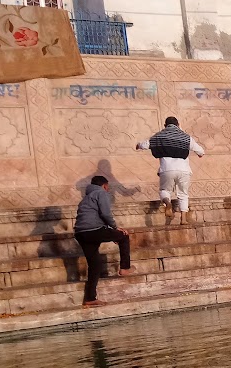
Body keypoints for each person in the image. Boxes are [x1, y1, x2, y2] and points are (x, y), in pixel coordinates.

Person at [74, 175, 133, 307]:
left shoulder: (85, 199)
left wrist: (111, 234)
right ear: (105, 186)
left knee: (95, 265)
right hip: (94, 230)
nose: (108, 190)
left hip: (81, 233)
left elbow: (92, 217)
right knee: (124, 236)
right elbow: (105, 214)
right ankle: (125, 268)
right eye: (108, 187)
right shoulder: (101, 193)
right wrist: (115, 228)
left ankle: (90, 298)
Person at [136, 116, 205, 225]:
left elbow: (144, 144)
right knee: (183, 194)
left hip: (167, 169)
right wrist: (199, 154)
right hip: (184, 170)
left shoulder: (159, 136)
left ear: (165, 125)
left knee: (165, 190)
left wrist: (138, 145)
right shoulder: (186, 137)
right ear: (178, 125)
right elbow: (201, 151)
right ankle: (183, 219)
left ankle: (167, 203)